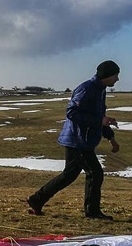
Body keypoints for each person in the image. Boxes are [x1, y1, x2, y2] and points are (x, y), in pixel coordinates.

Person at [27, 60, 121, 220]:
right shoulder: (86, 89)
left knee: (69, 175)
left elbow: (100, 115)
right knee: (95, 173)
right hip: (77, 140)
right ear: (106, 75)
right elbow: (71, 112)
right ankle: (92, 213)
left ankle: (37, 200)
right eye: (115, 76)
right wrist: (100, 121)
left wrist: (110, 137)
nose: (117, 79)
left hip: (82, 140)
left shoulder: (101, 90)